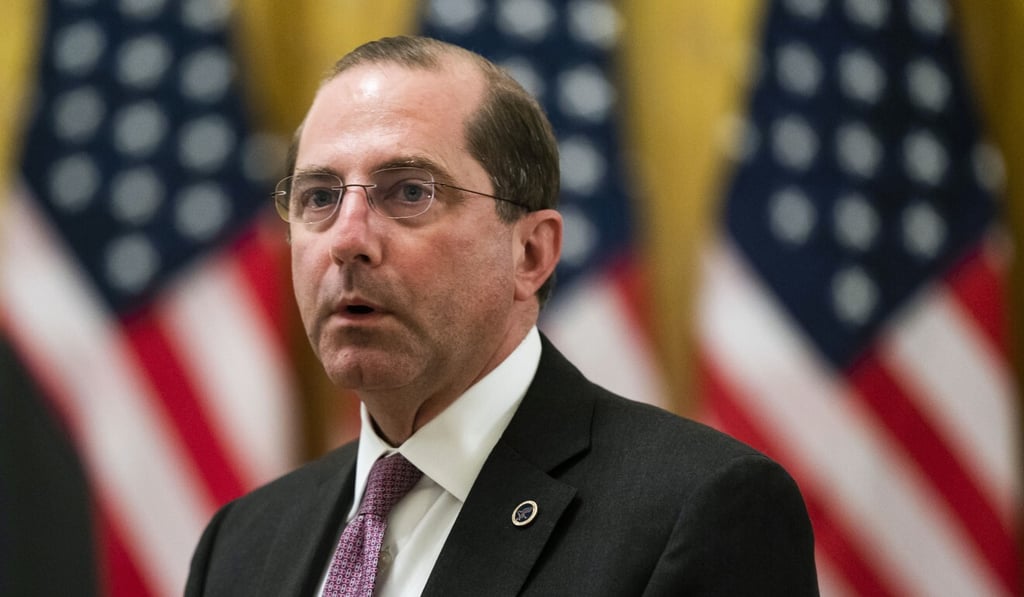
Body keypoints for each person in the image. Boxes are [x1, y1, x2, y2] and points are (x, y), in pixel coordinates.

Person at [186, 35, 818, 596]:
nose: (347, 238)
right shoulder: (241, 543)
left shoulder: (700, 510)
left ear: (530, 252)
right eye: (319, 196)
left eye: (409, 191)